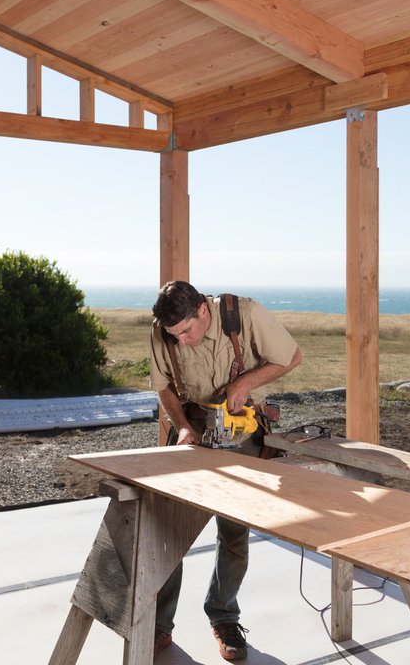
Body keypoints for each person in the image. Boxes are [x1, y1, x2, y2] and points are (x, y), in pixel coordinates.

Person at [149, 280, 302, 661]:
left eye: (185, 331)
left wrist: (245, 383)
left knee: (233, 532)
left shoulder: (244, 315)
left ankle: (224, 616)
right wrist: (183, 426)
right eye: (174, 335)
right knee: (168, 531)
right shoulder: (162, 331)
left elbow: (292, 356)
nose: (181, 341)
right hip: (193, 424)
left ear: (203, 311)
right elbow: (164, 387)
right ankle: (157, 624)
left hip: (241, 425)